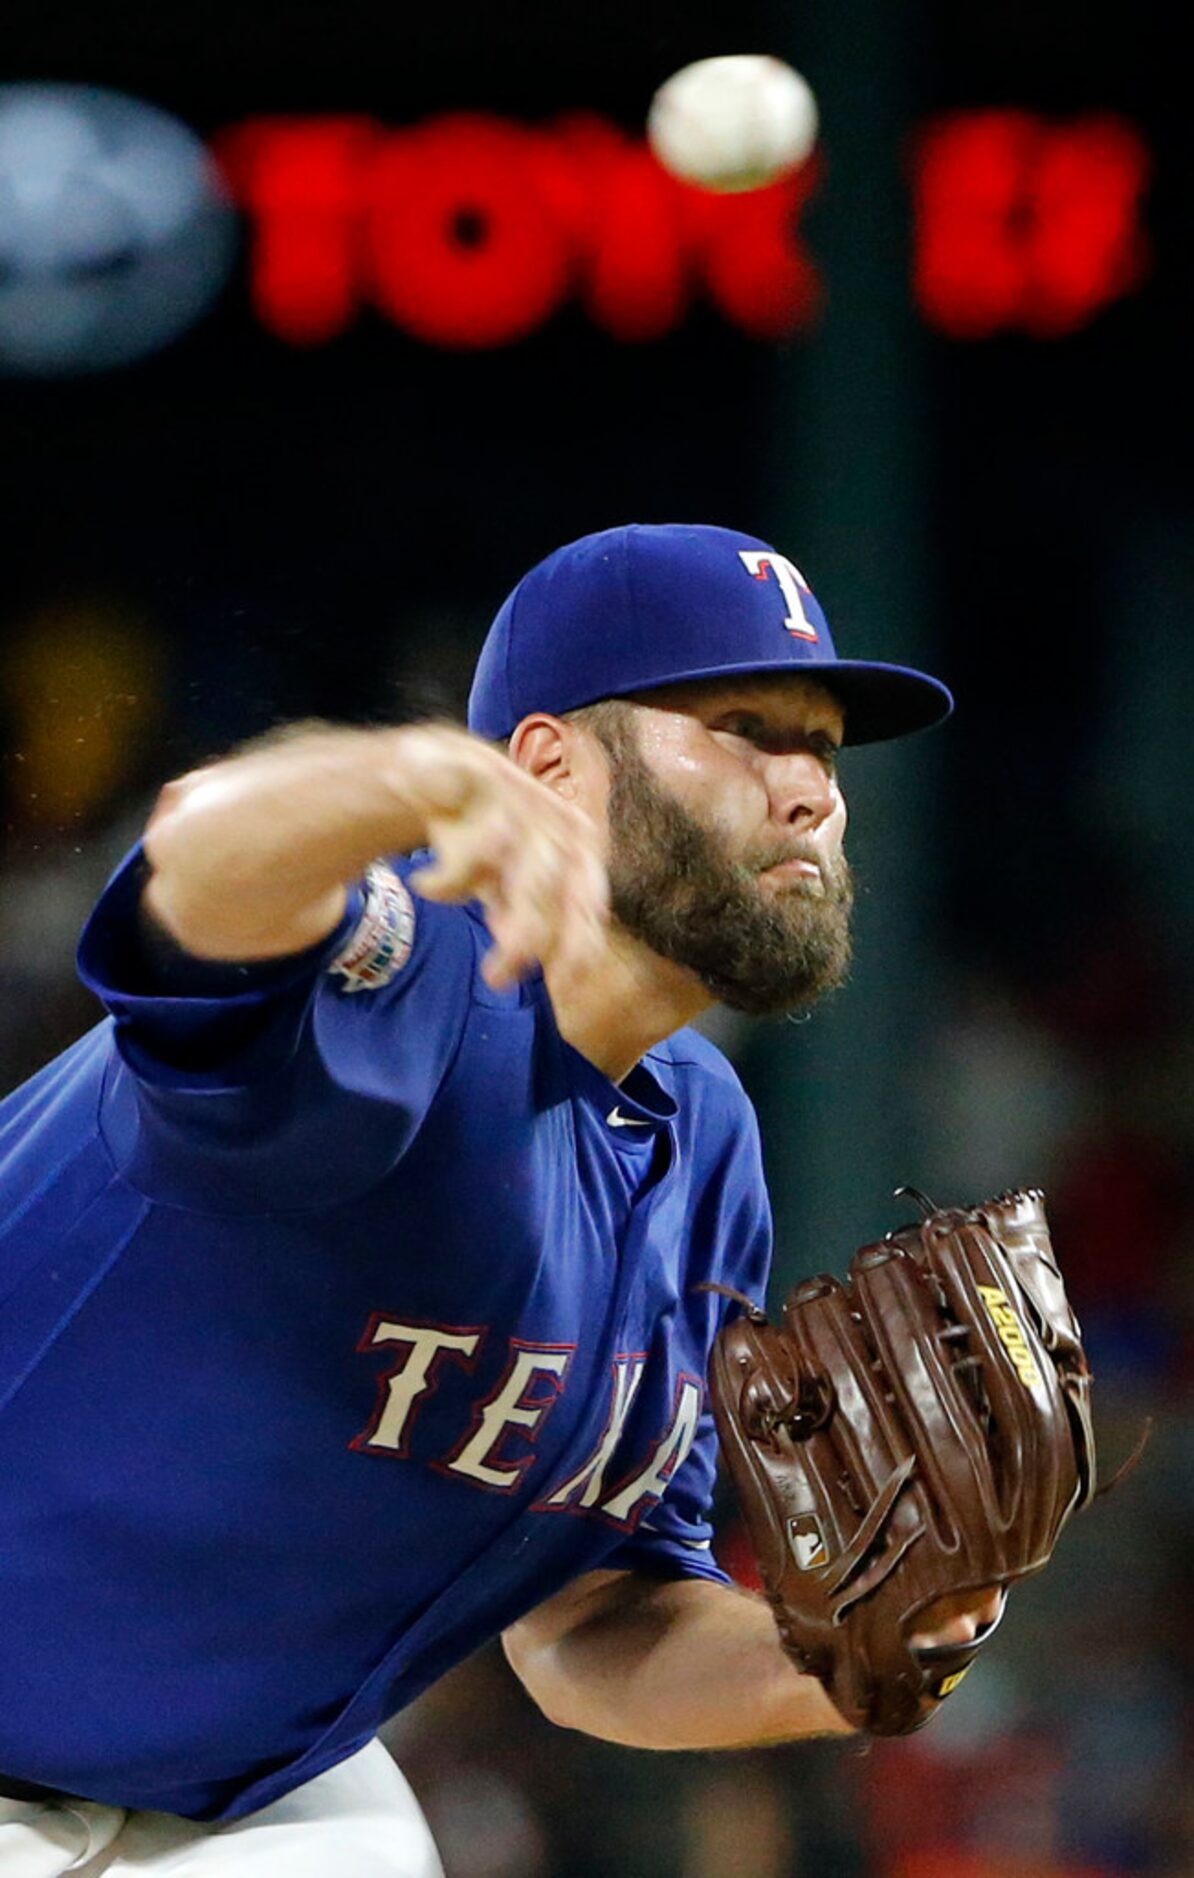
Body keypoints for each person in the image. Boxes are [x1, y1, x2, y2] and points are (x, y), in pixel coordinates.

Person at [0, 523, 995, 1877]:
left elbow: (595, 1622)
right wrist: (400, 778)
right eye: (744, 726)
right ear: (546, 764)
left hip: (209, 1784)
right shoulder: (410, 968)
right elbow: (194, 865)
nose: (808, 788)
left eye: (820, 744)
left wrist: (845, 1658)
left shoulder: (702, 1140)